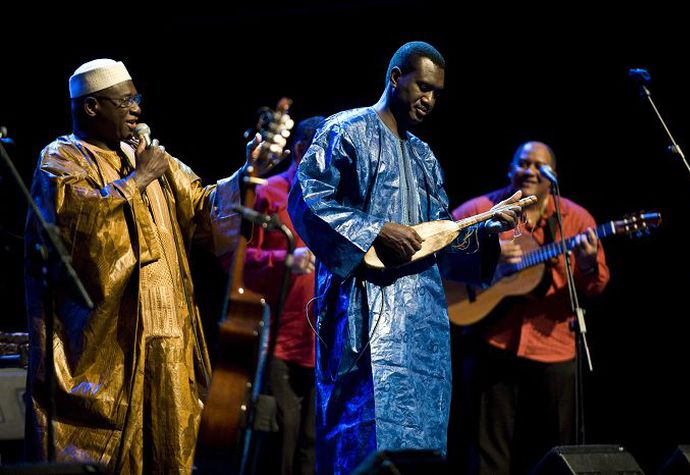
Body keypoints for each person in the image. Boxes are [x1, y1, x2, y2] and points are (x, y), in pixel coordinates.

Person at [287, 41, 522, 475]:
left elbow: (440, 235)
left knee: (422, 448)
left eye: (437, 93)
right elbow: (306, 198)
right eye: (423, 88)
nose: (429, 100)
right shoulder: (346, 130)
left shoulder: (425, 157)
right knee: (363, 439)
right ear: (396, 78)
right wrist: (375, 230)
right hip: (363, 315)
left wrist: (487, 231)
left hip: (423, 325)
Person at [24, 58, 267, 473]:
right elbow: (75, 233)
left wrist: (245, 175)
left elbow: (204, 209)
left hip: (169, 333)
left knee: (174, 450)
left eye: (136, 99)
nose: (136, 109)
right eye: (125, 101)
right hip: (111, 346)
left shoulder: (151, 157)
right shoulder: (62, 159)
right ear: (92, 107)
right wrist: (137, 180)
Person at [451, 141, 610, 474]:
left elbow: (596, 286)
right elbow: (439, 255)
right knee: (485, 450)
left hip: (553, 348)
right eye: (524, 164)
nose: (530, 171)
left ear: (553, 177)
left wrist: (586, 264)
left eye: (540, 166)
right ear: (511, 169)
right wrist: (486, 258)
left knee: (552, 449)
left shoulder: (576, 220)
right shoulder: (482, 208)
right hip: (493, 343)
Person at [243, 116, 324, 475]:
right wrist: (283, 258)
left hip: (322, 343)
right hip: (280, 340)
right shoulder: (269, 192)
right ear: (301, 151)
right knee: (281, 444)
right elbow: (238, 259)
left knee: (313, 447)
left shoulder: (335, 198)